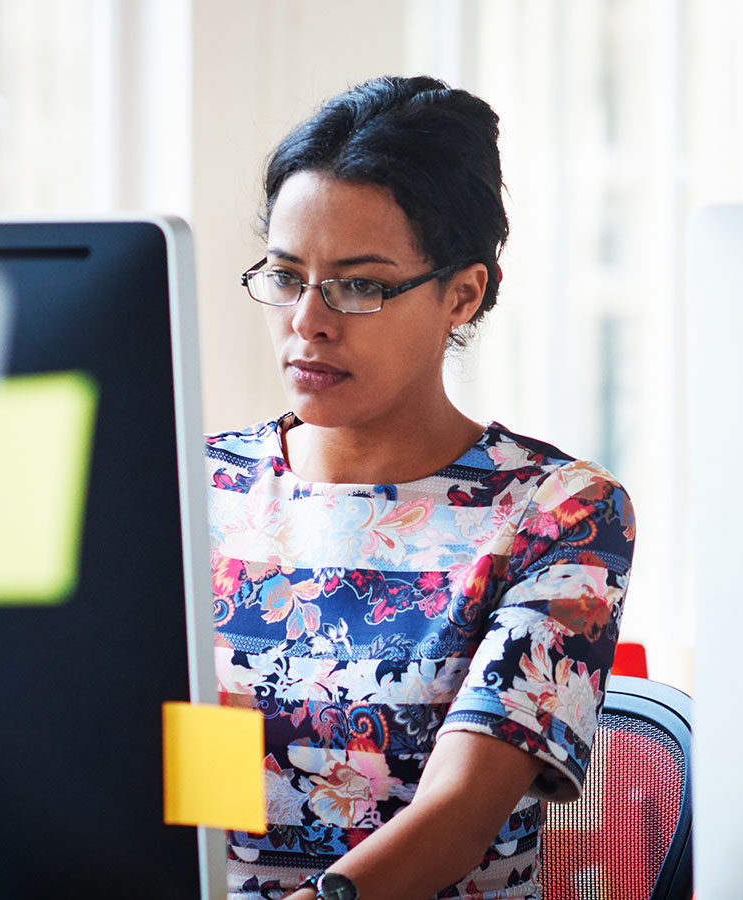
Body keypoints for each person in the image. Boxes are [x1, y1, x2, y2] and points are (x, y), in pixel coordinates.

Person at [205, 75, 634, 900]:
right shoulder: (202, 490)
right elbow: (168, 773)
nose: (308, 321)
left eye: (360, 286)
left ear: (462, 294)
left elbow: (460, 814)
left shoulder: (558, 513)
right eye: (288, 277)